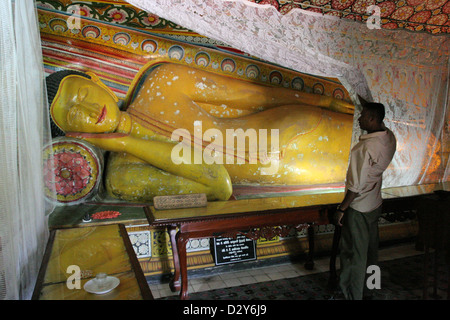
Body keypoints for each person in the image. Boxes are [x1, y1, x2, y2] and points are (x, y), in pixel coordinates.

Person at [46, 62, 354, 202]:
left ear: (95, 80)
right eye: (75, 115)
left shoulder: (162, 82)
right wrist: (128, 142)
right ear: (73, 133)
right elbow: (218, 184)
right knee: (390, 170)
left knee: (392, 143)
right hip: (296, 171)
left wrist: (323, 100)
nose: (89, 111)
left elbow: (250, 95)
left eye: (85, 95)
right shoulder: (123, 176)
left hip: (301, 123)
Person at [334, 101, 396, 300]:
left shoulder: (364, 148)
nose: (358, 118)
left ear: (372, 119)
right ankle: (372, 287)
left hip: (359, 207)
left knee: (354, 254)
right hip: (375, 202)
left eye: (362, 115)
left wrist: (342, 209)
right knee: (371, 251)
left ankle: (352, 294)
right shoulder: (389, 137)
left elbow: (355, 186)